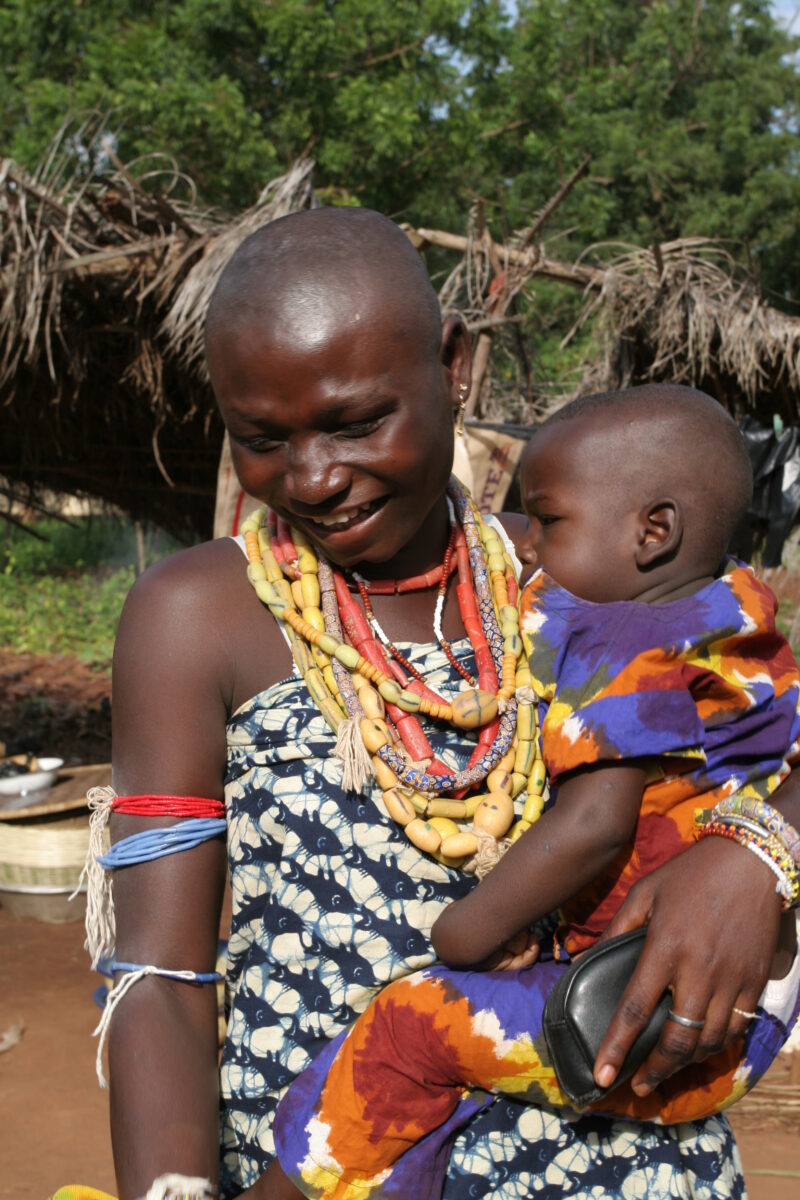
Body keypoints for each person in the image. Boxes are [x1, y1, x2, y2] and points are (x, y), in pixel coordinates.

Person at [101, 207, 800, 1200]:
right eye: (261, 439)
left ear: (454, 365)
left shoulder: (582, 568)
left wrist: (756, 854)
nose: (313, 478)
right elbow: (161, 977)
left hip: (632, 1161)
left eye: (356, 422)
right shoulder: (198, 616)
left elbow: (760, 727)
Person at [264, 385, 800, 1200]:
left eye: (548, 521)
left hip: (647, 1018)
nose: (531, 546)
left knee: (411, 1025)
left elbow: (595, 824)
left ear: (652, 532)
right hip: (746, 995)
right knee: (451, 1084)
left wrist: (466, 932)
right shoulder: (736, 609)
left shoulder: (624, 643)